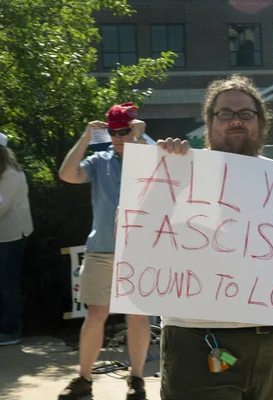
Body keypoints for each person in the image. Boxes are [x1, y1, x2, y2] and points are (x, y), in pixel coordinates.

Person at [157, 75, 273, 399]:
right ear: (209, 122)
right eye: (225, 113)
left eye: (246, 113)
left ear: (261, 122)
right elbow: (134, 236)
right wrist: (162, 171)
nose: (235, 120)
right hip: (199, 341)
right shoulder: (178, 171)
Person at [57, 103, 151, 400]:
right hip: (102, 249)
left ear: (134, 128)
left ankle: (136, 378)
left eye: (124, 130)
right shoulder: (100, 160)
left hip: (140, 250)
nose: (119, 137)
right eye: (114, 132)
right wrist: (86, 136)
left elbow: (150, 176)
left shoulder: (147, 153)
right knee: (96, 314)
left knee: (137, 316)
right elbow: (67, 175)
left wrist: (138, 140)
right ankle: (83, 378)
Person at [0, 132, 34, 346]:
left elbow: (0, 207)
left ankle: (10, 331)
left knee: (7, 284)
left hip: (11, 236)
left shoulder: (10, 175)